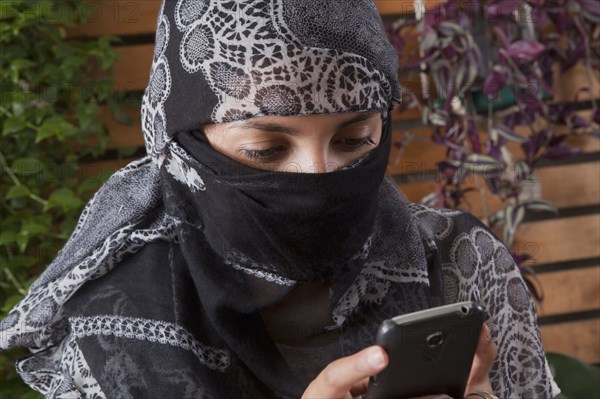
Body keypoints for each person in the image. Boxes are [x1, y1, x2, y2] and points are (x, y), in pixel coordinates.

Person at [0, 1, 560, 398]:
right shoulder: (109, 321)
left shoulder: (462, 263)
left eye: (354, 140)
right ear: (179, 144)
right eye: (265, 150)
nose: (319, 178)